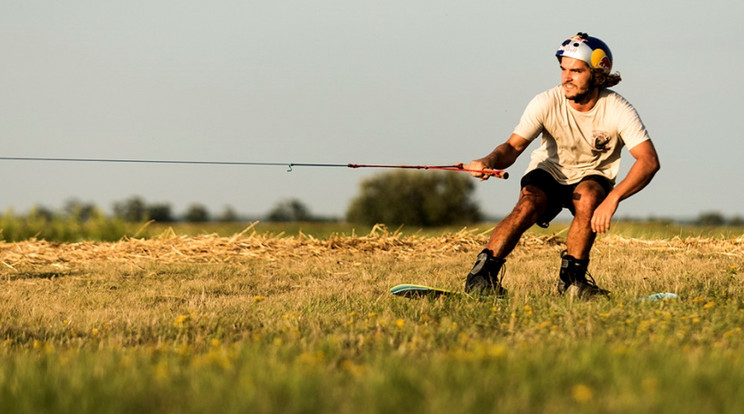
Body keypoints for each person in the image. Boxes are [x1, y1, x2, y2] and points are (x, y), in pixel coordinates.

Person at [463, 32, 660, 299]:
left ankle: (572, 283)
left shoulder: (618, 109)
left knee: (589, 196)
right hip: (550, 171)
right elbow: (512, 147)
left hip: (593, 175)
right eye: (563, 70)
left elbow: (648, 161)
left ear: (597, 75)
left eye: (576, 71)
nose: (566, 78)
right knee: (528, 204)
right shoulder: (546, 102)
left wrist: (612, 199)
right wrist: (488, 161)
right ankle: (481, 277)